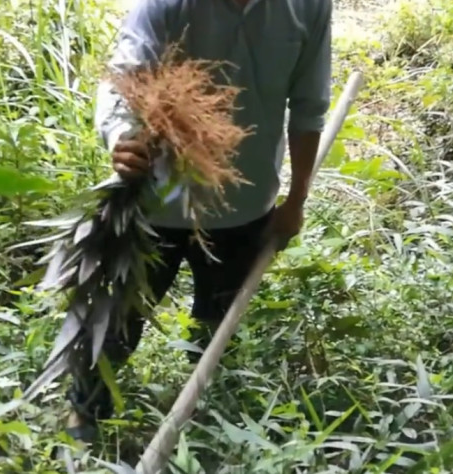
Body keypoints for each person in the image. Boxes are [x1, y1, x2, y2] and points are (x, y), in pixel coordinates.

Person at [65, 0, 332, 442]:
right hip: (156, 202)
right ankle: (86, 410)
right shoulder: (165, 5)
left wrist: (296, 199)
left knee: (218, 314)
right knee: (119, 317)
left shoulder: (308, 7)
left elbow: (309, 108)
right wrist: (121, 138)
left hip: (245, 205)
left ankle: (202, 398)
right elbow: (124, 78)